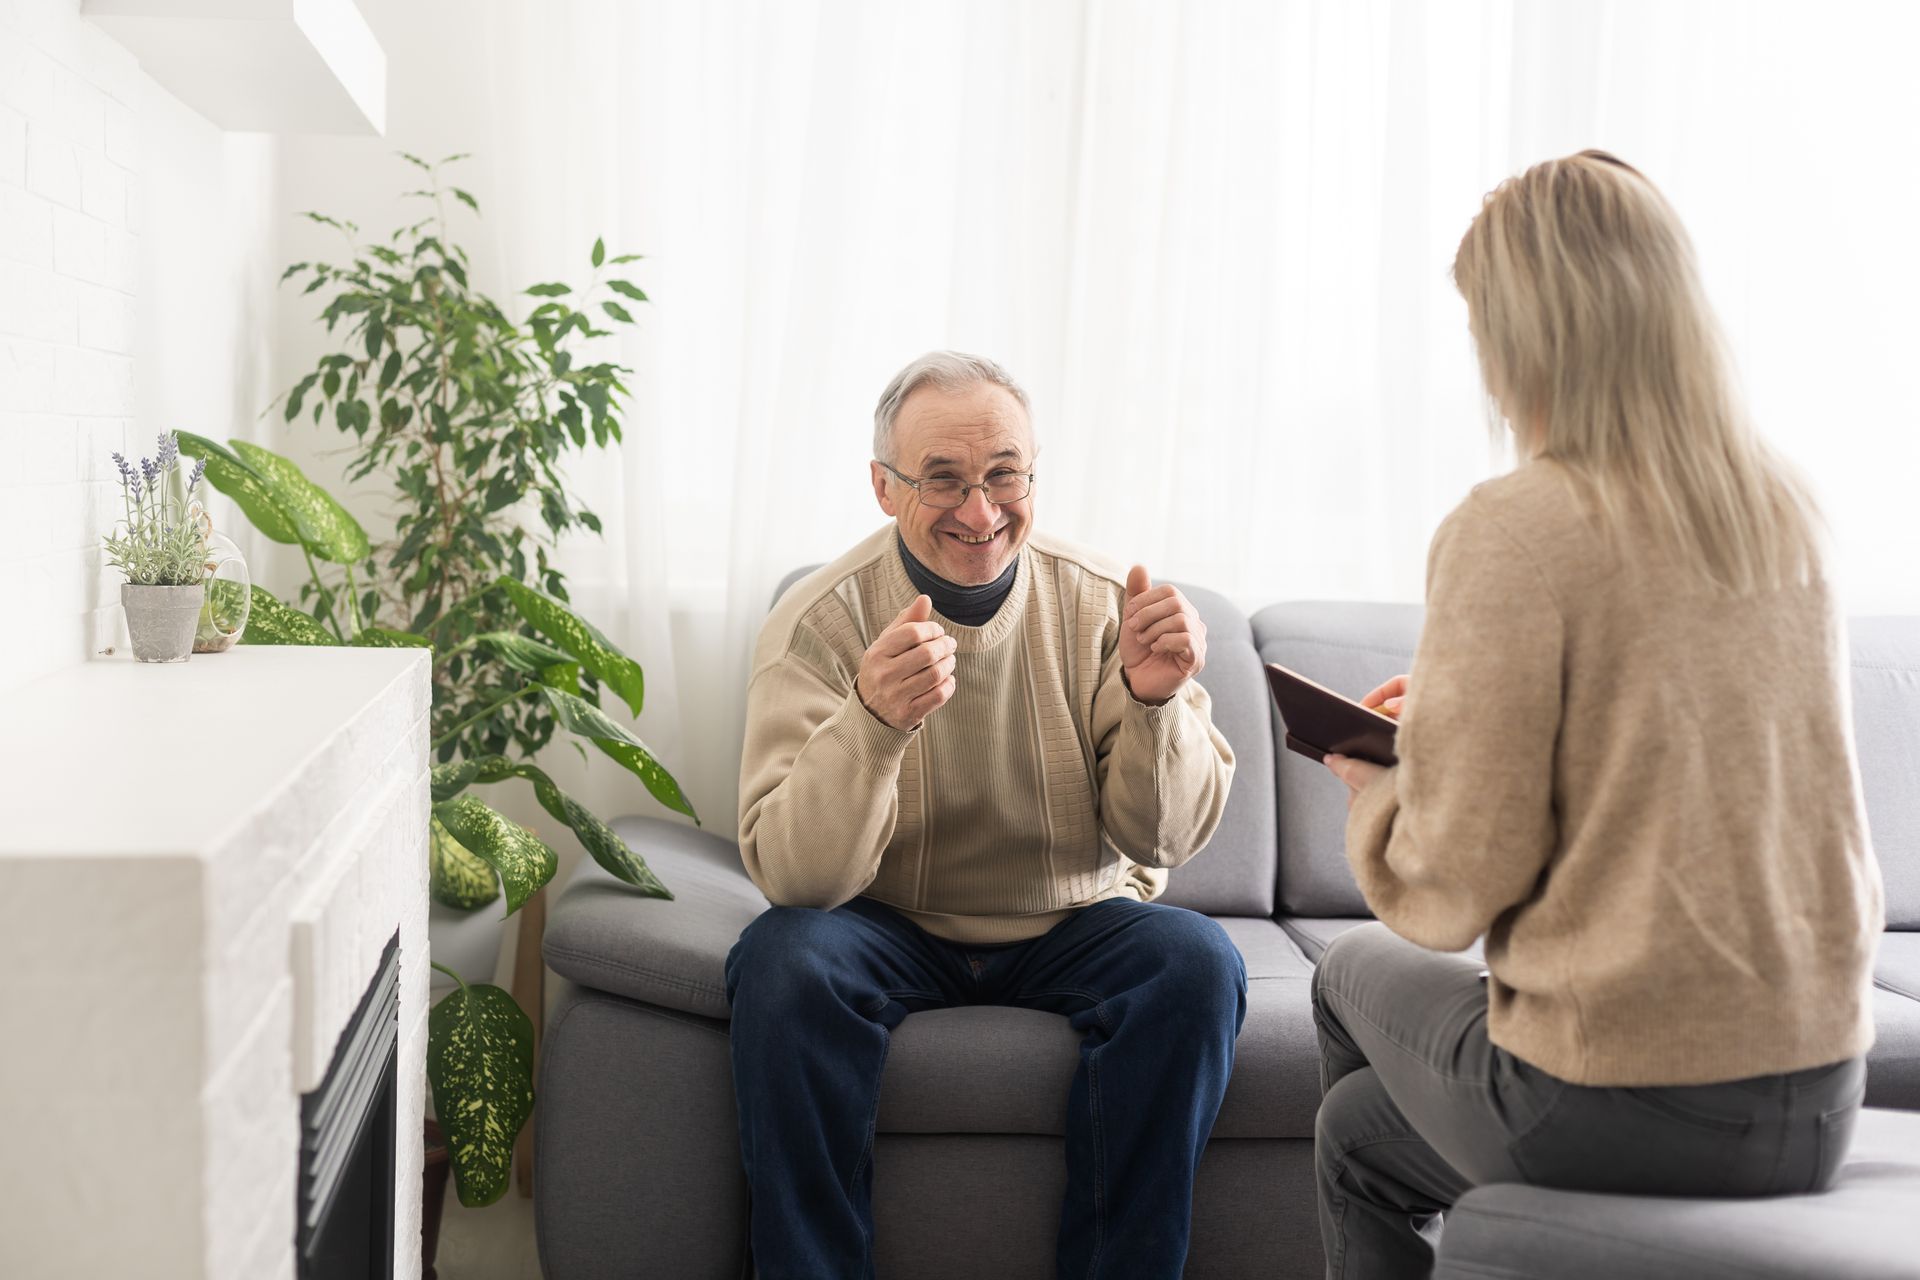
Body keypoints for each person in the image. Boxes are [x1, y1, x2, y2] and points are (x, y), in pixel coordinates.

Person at [1311, 150, 1883, 1278]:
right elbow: (1677, 739)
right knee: (1354, 1138)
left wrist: (1380, 790)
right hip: (1819, 1098)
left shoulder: (1517, 523)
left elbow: (1449, 886)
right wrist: (1470, 716)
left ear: (1526, 337)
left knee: (1343, 974)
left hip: (1623, 1100)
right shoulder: (1783, 508)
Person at [725, 350, 1246, 1279]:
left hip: (1072, 920)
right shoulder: (818, 623)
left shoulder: (1102, 602)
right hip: (886, 926)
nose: (980, 510)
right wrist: (872, 726)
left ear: (1032, 474)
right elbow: (797, 881)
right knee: (780, 961)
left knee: (1199, 962)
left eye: (1004, 474)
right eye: (944, 480)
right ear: (884, 488)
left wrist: (1155, 700)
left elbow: (1162, 839)